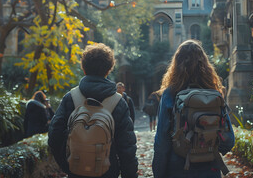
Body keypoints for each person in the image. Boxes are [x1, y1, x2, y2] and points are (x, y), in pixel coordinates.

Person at [48, 43, 138, 178]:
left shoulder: (71, 98)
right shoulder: (118, 102)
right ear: (109, 69)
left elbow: (54, 135)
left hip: (75, 169)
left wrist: (67, 165)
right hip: (107, 171)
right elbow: (127, 147)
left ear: (83, 68)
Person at [152, 39, 235, 178]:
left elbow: (162, 141)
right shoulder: (214, 93)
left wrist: (159, 173)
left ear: (176, 64)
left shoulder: (170, 93)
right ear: (205, 64)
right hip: (210, 170)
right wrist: (207, 146)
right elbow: (229, 140)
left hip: (178, 168)